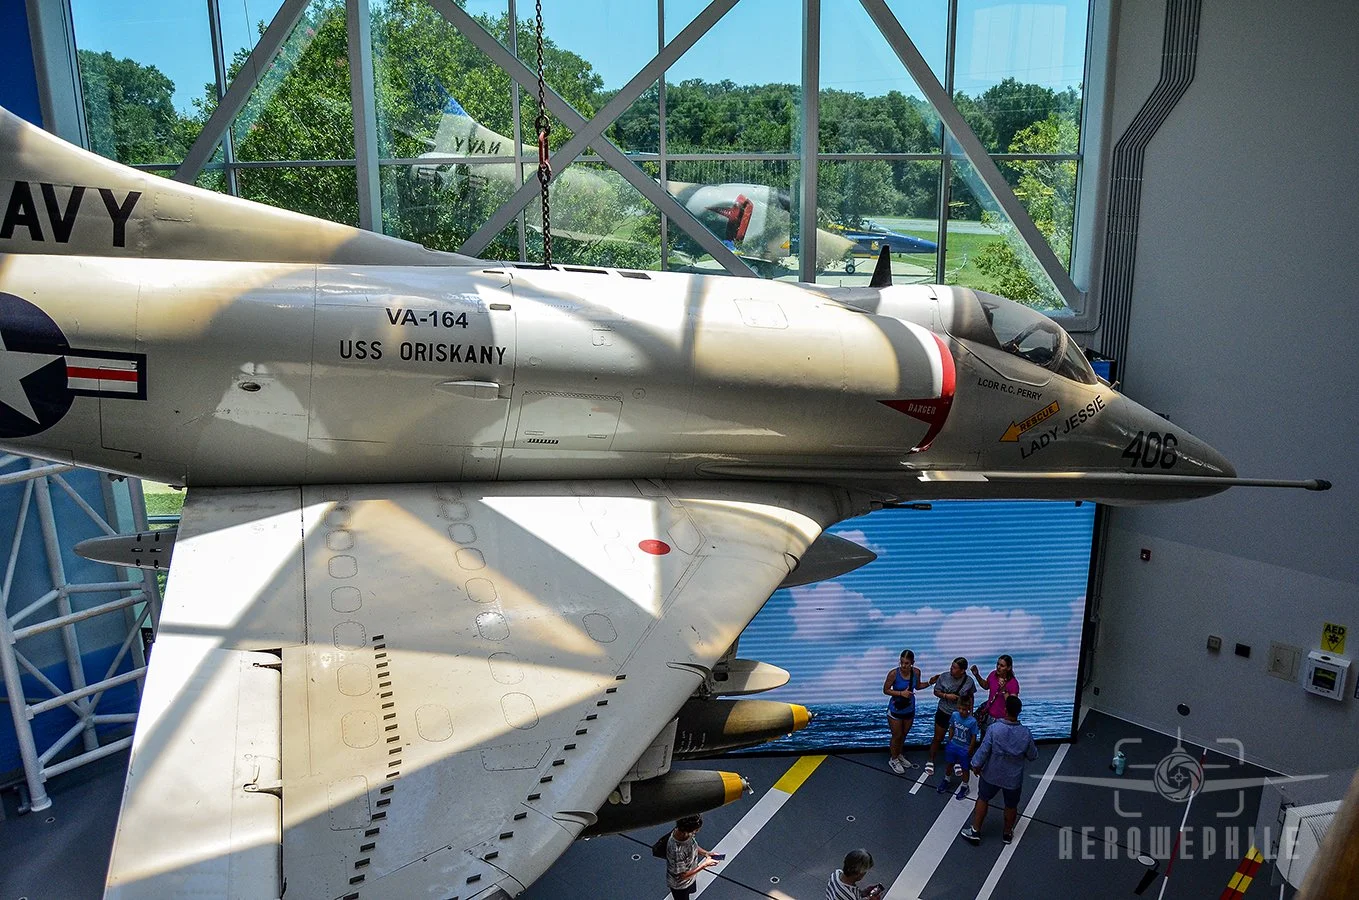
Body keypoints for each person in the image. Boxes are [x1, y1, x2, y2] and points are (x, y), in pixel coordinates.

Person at [959, 695, 1038, 845]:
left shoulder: (994, 729)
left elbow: (983, 750)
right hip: (1013, 778)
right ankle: (1007, 833)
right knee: (1011, 805)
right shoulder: (1025, 733)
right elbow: (1033, 755)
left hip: (991, 774)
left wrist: (975, 765)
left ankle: (975, 830)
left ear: (1005, 709)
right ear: (1019, 712)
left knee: (983, 798)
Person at [924, 656, 975, 776]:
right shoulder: (943, 677)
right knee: (938, 738)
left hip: (959, 715)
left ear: (962, 670)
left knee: (957, 740)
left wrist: (970, 713)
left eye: (954, 668)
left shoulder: (969, 681)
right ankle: (931, 759)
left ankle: (957, 762)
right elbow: (936, 691)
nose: (951, 669)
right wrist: (947, 696)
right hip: (944, 711)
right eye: (951, 666)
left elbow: (971, 696)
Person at [882, 649, 922, 774]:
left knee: (904, 734)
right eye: (902, 662)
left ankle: (899, 754)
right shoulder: (893, 674)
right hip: (895, 709)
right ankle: (893, 759)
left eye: (907, 663)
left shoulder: (916, 672)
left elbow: (918, 686)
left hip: (909, 708)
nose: (904, 666)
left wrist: (931, 682)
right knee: (897, 735)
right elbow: (886, 690)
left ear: (912, 663)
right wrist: (900, 693)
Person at [665, 814, 722, 899]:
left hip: (691, 874)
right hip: (680, 885)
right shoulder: (677, 852)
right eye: (696, 830)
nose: (697, 831)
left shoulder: (682, 832)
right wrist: (704, 865)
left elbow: (692, 845)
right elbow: (682, 876)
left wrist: (706, 853)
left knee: (691, 890)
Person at [935, 692, 980, 799]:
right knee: (950, 764)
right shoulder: (954, 715)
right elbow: (951, 727)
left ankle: (965, 786)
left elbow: (974, 736)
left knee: (965, 768)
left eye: (964, 709)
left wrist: (970, 748)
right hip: (953, 745)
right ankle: (946, 779)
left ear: (969, 708)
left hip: (964, 748)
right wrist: (950, 740)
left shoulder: (972, 721)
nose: (962, 711)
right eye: (960, 709)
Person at [971, 655, 1019, 734]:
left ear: (1009, 668)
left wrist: (1004, 690)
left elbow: (1013, 704)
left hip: (1002, 720)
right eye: (998, 664)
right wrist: (977, 675)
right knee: (985, 741)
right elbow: (986, 686)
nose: (998, 667)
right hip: (989, 716)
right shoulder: (993, 674)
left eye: (1002, 665)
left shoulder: (1013, 683)